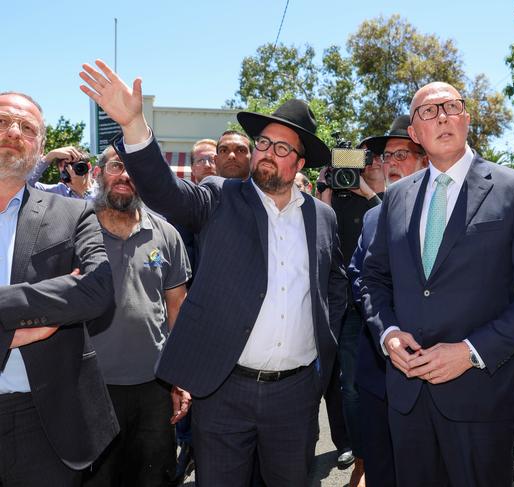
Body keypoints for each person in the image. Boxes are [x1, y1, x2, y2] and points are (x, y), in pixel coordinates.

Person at [79, 59, 347, 486]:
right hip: (224, 390)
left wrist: (320, 355)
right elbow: (166, 192)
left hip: (294, 397)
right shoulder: (221, 196)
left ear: (299, 164)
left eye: (282, 148)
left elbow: (333, 286)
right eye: (262, 142)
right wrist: (134, 126)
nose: (266, 154)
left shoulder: (322, 218)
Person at [361, 81, 514, 486]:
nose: (442, 117)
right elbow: (373, 278)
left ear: (467, 118)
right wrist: (389, 334)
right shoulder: (396, 196)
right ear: (415, 134)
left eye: (451, 107)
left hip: (482, 396)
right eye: (428, 112)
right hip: (408, 394)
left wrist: (471, 352)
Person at [0, 91, 118, 485]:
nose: (14, 132)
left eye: (27, 127)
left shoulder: (73, 212)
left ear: (40, 147)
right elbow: (72, 294)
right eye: (2, 122)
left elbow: (97, 289)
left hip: (47, 420)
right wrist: (16, 329)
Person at [83, 145, 191, 487]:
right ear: (99, 173)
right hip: (89, 387)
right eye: (117, 166)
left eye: (133, 169)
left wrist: (180, 377)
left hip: (154, 389)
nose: (126, 176)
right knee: (97, 479)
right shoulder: (75, 230)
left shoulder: (166, 234)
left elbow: (177, 307)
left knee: (153, 478)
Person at [347, 114, 427, 487]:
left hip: (434, 372)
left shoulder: (451, 213)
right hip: (378, 371)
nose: (391, 163)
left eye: (402, 155)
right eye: (387, 157)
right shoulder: (373, 217)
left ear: (426, 160)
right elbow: (359, 276)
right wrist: (387, 330)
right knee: (382, 469)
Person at [315, 134, 386, 486]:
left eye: (372, 159)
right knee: (345, 384)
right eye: (362, 159)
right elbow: (318, 236)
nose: (369, 165)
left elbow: (390, 226)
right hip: (337, 299)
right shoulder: (333, 197)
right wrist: (326, 190)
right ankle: (356, 452)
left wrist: (368, 193)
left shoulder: (387, 199)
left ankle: (371, 455)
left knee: (365, 382)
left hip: (371, 303)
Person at [27, 145, 97, 199]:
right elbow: (22, 186)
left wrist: (82, 191)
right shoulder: (58, 192)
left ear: (88, 166)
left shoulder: (104, 190)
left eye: (74, 164)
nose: (70, 170)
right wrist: (49, 157)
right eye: (65, 166)